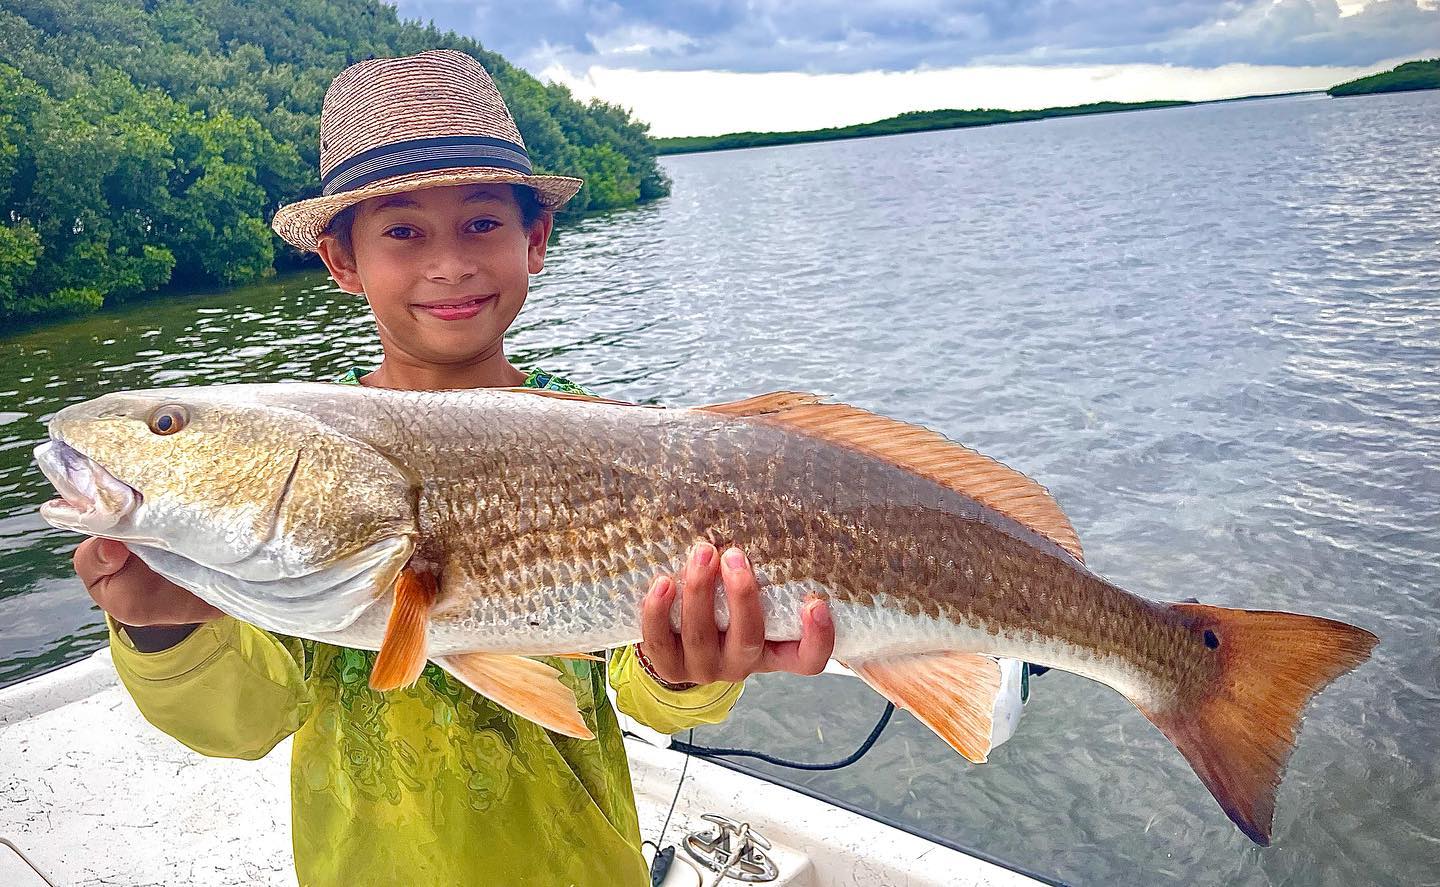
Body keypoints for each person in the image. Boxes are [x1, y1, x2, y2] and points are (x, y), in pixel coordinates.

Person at [71, 49, 836, 886]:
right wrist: (163, 625)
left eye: (481, 222)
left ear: (534, 239)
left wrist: (684, 670)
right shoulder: (298, 473)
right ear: (341, 260)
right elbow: (246, 724)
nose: (449, 263)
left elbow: (643, 693)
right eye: (403, 230)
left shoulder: (610, 436)